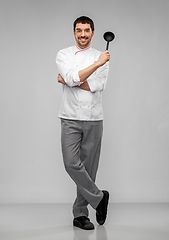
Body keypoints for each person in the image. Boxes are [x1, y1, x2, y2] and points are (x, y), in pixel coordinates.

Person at [56, 16, 110, 230]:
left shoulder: (102, 54)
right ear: (74, 32)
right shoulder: (64, 54)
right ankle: (99, 198)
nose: (83, 35)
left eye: (87, 31)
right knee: (71, 164)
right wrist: (95, 66)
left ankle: (80, 215)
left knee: (89, 169)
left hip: (94, 118)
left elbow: (97, 85)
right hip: (69, 116)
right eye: (79, 30)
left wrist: (72, 80)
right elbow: (70, 78)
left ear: (93, 32)